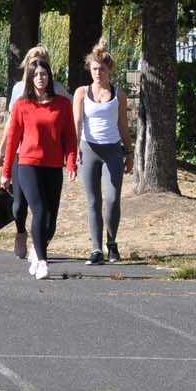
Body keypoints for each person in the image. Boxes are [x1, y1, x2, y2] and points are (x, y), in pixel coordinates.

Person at [0, 50, 77, 280]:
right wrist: (6, 172)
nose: (41, 78)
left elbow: (70, 137)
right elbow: (13, 139)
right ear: (30, 78)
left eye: (44, 74)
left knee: (51, 219)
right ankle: (42, 261)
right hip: (28, 164)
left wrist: (71, 163)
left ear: (49, 77)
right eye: (36, 74)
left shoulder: (62, 104)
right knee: (40, 210)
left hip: (53, 166)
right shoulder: (23, 104)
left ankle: (38, 248)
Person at [71, 45, 132, 265]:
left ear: (109, 71)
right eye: (95, 69)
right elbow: (76, 122)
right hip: (89, 150)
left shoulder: (119, 95)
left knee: (113, 198)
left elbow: (123, 125)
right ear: (90, 70)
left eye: (102, 70)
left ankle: (112, 243)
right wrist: (74, 148)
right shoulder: (81, 93)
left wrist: (130, 151)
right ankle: (96, 249)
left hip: (112, 151)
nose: (98, 73)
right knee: (93, 201)